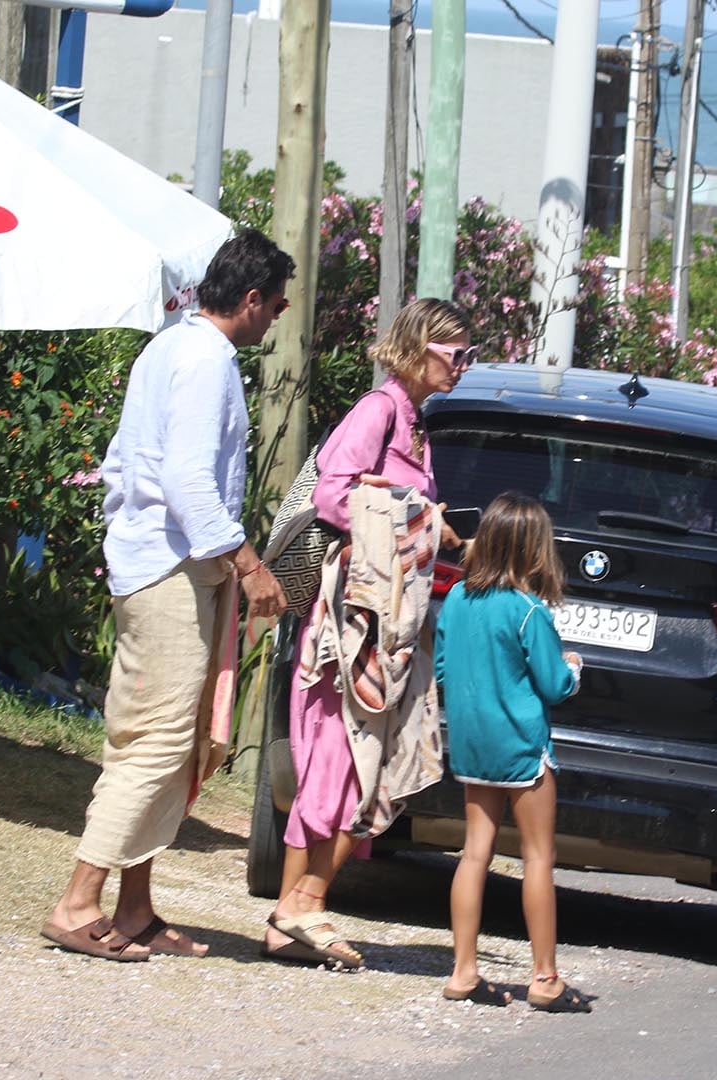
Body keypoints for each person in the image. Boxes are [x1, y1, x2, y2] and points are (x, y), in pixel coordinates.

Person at [43, 229, 293, 962]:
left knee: (177, 741)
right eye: (275, 307)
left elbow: (131, 465)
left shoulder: (172, 346)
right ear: (250, 299)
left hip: (168, 563)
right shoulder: (204, 359)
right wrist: (248, 564)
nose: (275, 320)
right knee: (154, 741)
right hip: (169, 570)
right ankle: (77, 900)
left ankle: (136, 907)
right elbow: (187, 481)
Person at [264, 298, 472, 970]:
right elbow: (331, 495)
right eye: (454, 354)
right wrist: (414, 513)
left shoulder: (415, 425)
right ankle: (296, 909)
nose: (463, 367)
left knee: (358, 769)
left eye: (468, 355)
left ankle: (304, 906)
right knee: (334, 762)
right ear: (417, 348)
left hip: (382, 628)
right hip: (348, 625)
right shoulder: (380, 411)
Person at [433, 492, 590, 1012]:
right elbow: (553, 685)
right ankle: (544, 978)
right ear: (533, 551)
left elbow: (441, 670)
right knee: (538, 858)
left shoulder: (456, 599)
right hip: (523, 748)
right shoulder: (529, 612)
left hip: (473, 745)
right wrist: (573, 667)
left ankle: (463, 970)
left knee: (474, 853)